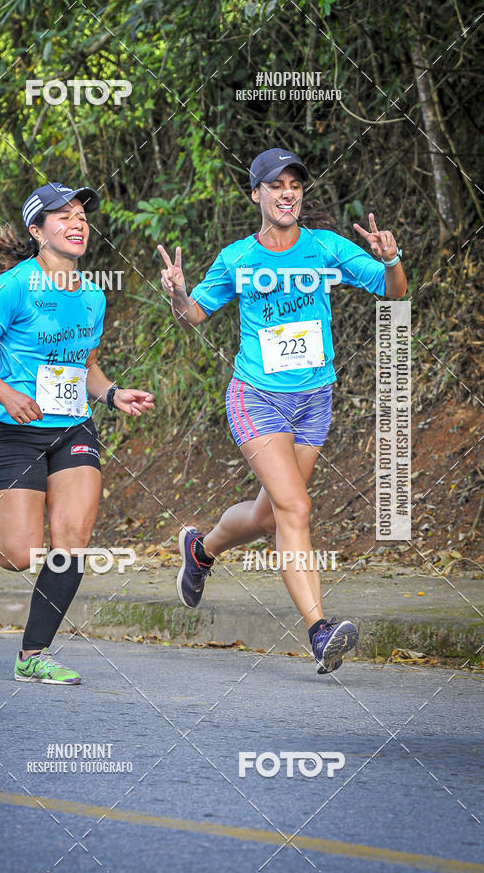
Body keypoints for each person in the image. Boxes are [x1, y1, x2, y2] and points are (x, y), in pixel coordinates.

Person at [158, 148, 406, 675]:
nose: (287, 191)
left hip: (315, 400)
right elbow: (195, 316)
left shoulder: (325, 247)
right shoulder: (237, 259)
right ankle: (319, 631)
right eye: (275, 185)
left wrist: (390, 257)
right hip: (258, 396)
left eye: (294, 183)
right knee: (296, 508)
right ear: (257, 195)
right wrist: (178, 294)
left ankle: (201, 550)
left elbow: (393, 292)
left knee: (271, 513)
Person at [0, 181, 154, 684]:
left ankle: (33, 655)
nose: (77, 222)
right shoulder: (16, 285)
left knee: (72, 540)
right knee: (18, 554)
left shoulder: (91, 294)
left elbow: (84, 365)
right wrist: (5, 394)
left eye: (81, 214)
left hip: (73, 429)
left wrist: (112, 394)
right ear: (38, 231)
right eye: (62, 216)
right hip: (15, 431)